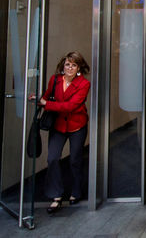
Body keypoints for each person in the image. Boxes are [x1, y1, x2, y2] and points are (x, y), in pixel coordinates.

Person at [36, 51, 91, 214]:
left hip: (77, 126)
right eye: (68, 64)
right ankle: (56, 196)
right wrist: (39, 100)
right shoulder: (55, 80)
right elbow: (46, 98)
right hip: (58, 125)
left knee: (75, 159)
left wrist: (46, 103)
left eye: (74, 65)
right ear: (63, 65)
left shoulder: (83, 84)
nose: (70, 68)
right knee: (52, 158)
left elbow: (71, 106)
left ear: (79, 68)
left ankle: (76, 191)